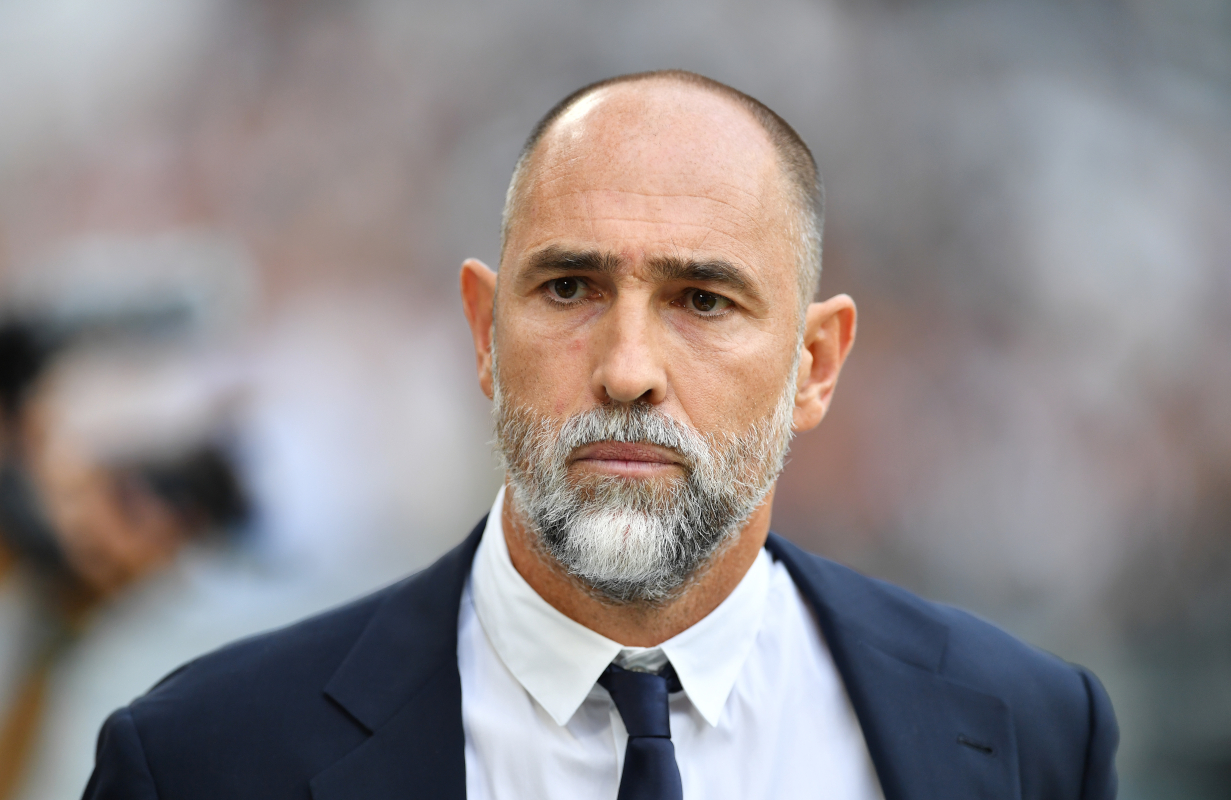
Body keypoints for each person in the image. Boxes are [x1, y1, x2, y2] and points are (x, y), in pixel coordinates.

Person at [82, 70, 1118, 800]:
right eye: (571, 287)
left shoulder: (1026, 730)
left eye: (702, 300)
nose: (627, 368)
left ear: (814, 364)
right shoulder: (204, 756)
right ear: (485, 334)